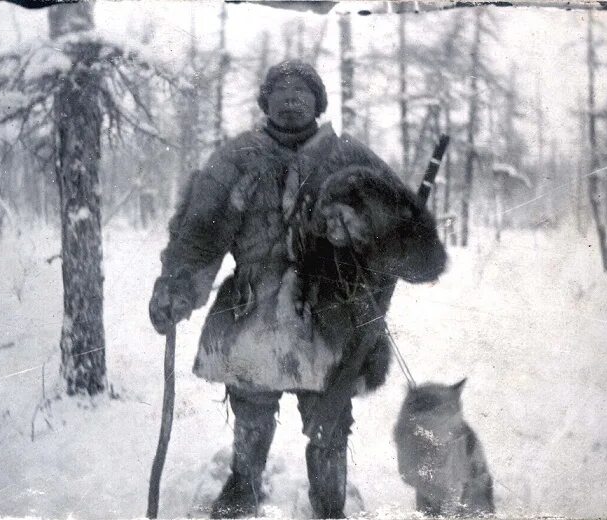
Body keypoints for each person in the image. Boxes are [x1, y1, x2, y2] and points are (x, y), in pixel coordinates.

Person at [149, 60, 446, 519]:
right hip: (253, 306)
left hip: (332, 308)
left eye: (301, 91)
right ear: (265, 101)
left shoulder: (350, 157)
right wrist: (177, 288)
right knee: (251, 404)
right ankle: (243, 483)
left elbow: (402, 227)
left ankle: (329, 502)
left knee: (329, 414)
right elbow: (201, 231)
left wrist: (391, 244)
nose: (290, 99)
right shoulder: (235, 158)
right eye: (281, 91)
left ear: (318, 102)